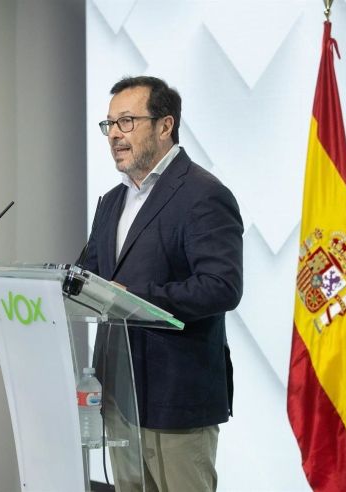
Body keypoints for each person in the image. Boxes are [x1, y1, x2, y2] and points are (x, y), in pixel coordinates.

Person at [84, 76, 244, 492]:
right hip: (119, 395)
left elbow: (221, 286)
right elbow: (89, 278)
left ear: (164, 125)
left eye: (126, 121)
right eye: (109, 124)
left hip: (176, 399)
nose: (114, 134)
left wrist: (134, 300)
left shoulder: (203, 195)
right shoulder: (112, 201)